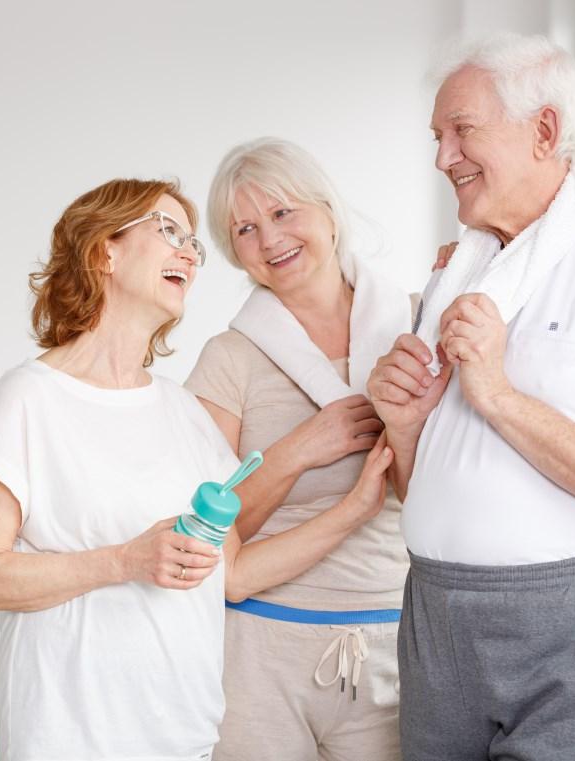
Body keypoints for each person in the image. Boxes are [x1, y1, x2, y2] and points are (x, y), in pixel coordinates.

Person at [0, 178, 393, 761]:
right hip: (70, 738)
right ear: (104, 251)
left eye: (193, 243)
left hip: (183, 736)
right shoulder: (28, 398)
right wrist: (124, 561)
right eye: (168, 232)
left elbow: (233, 573)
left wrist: (354, 510)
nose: (189, 253)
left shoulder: (183, 411)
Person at [368, 33, 575, 761]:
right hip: (436, 614)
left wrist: (497, 392)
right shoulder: (456, 277)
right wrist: (404, 424)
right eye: (438, 137)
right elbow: (420, 488)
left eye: (462, 129)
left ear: (544, 130)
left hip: (570, 624)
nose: (443, 158)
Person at [187, 137, 411, 760]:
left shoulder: (418, 325)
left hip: (392, 649)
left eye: (283, 212)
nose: (270, 240)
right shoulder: (228, 360)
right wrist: (299, 450)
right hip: (261, 655)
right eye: (245, 229)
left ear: (328, 211)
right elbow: (209, 536)